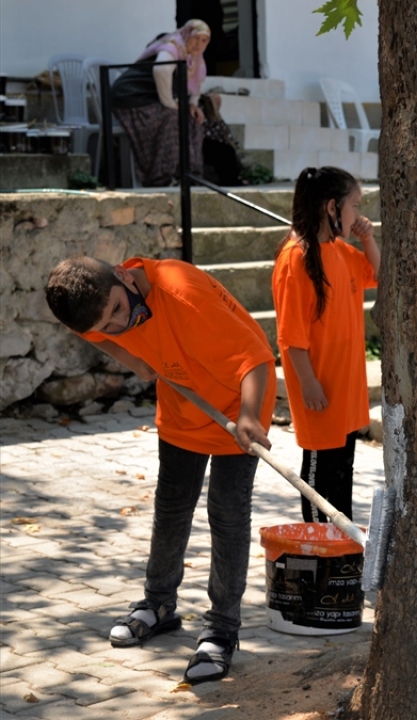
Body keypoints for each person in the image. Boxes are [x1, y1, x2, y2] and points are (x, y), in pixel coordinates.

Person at [43, 255, 276, 685]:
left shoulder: (182, 295)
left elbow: (257, 359)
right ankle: (159, 605)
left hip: (238, 407)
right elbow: (86, 329)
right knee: (170, 508)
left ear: (123, 274)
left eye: (117, 310)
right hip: (184, 402)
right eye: (107, 324)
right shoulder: (98, 307)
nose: (119, 324)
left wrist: (248, 415)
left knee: (226, 514)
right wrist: (130, 358)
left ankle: (222, 628)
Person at [272, 167, 379, 524]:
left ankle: (341, 547)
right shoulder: (297, 257)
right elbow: (290, 336)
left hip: (346, 389)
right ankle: (318, 546)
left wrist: (367, 240)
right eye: (354, 206)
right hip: (321, 392)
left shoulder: (340, 251)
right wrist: (308, 383)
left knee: (341, 472)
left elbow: (378, 275)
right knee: (318, 479)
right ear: (332, 207)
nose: (358, 214)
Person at [110, 20, 210, 186]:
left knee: (194, 120)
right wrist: (170, 103)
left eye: (204, 40)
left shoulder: (194, 58)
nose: (199, 44)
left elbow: (196, 81)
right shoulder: (172, 46)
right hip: (130, 97)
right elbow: (161, 70)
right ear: (186, 35)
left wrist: (192, 104)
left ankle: (188, 175)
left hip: (150, 97)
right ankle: (161, 177)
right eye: (195, 38)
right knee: (172, 118)